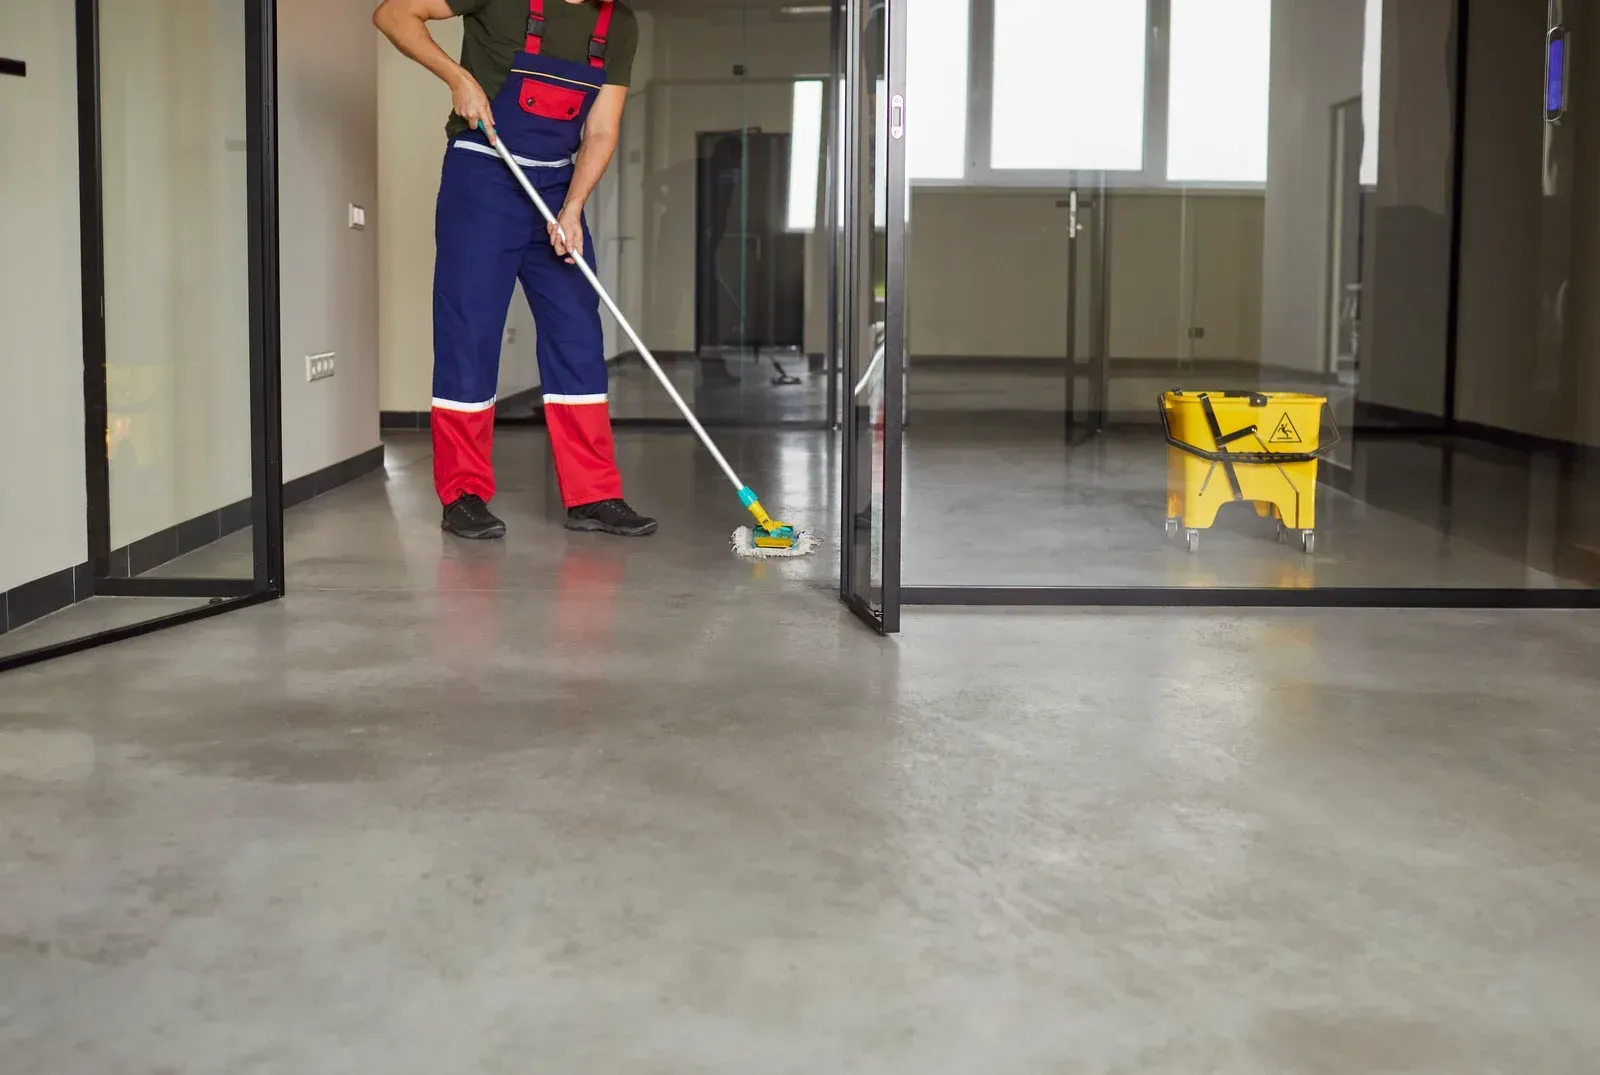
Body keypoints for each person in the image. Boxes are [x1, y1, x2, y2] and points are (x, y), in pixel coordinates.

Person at [374, 0, 656, 540]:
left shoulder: (617, 23)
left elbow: (601, 129)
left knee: (577, 333)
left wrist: (572, 209)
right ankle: (463, 494)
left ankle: (593, 495)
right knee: (471, 333)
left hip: (555, 188)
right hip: (483, 174)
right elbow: (393, 15)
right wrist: (458, 77)